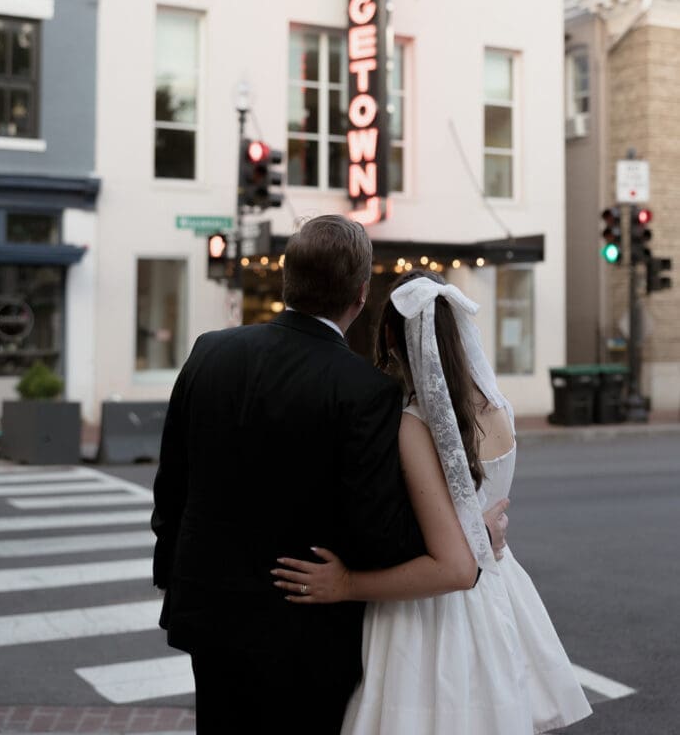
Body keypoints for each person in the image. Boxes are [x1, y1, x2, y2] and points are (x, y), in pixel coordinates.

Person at [151, 218, 509, 735]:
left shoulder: (210, 351)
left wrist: (176, 576)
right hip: (305, 630)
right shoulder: (366, 391)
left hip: (208, 613)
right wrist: (474, 534)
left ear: (286, 281)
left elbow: (172, 486)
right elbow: (378, 530)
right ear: (361, 294)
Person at [273, 270, 593, 735]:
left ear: (389, 336)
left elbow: (453, 564)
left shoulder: (415, 425)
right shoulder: (498, 408)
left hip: (428, 613)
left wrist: (344, 583)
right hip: (500, 592)